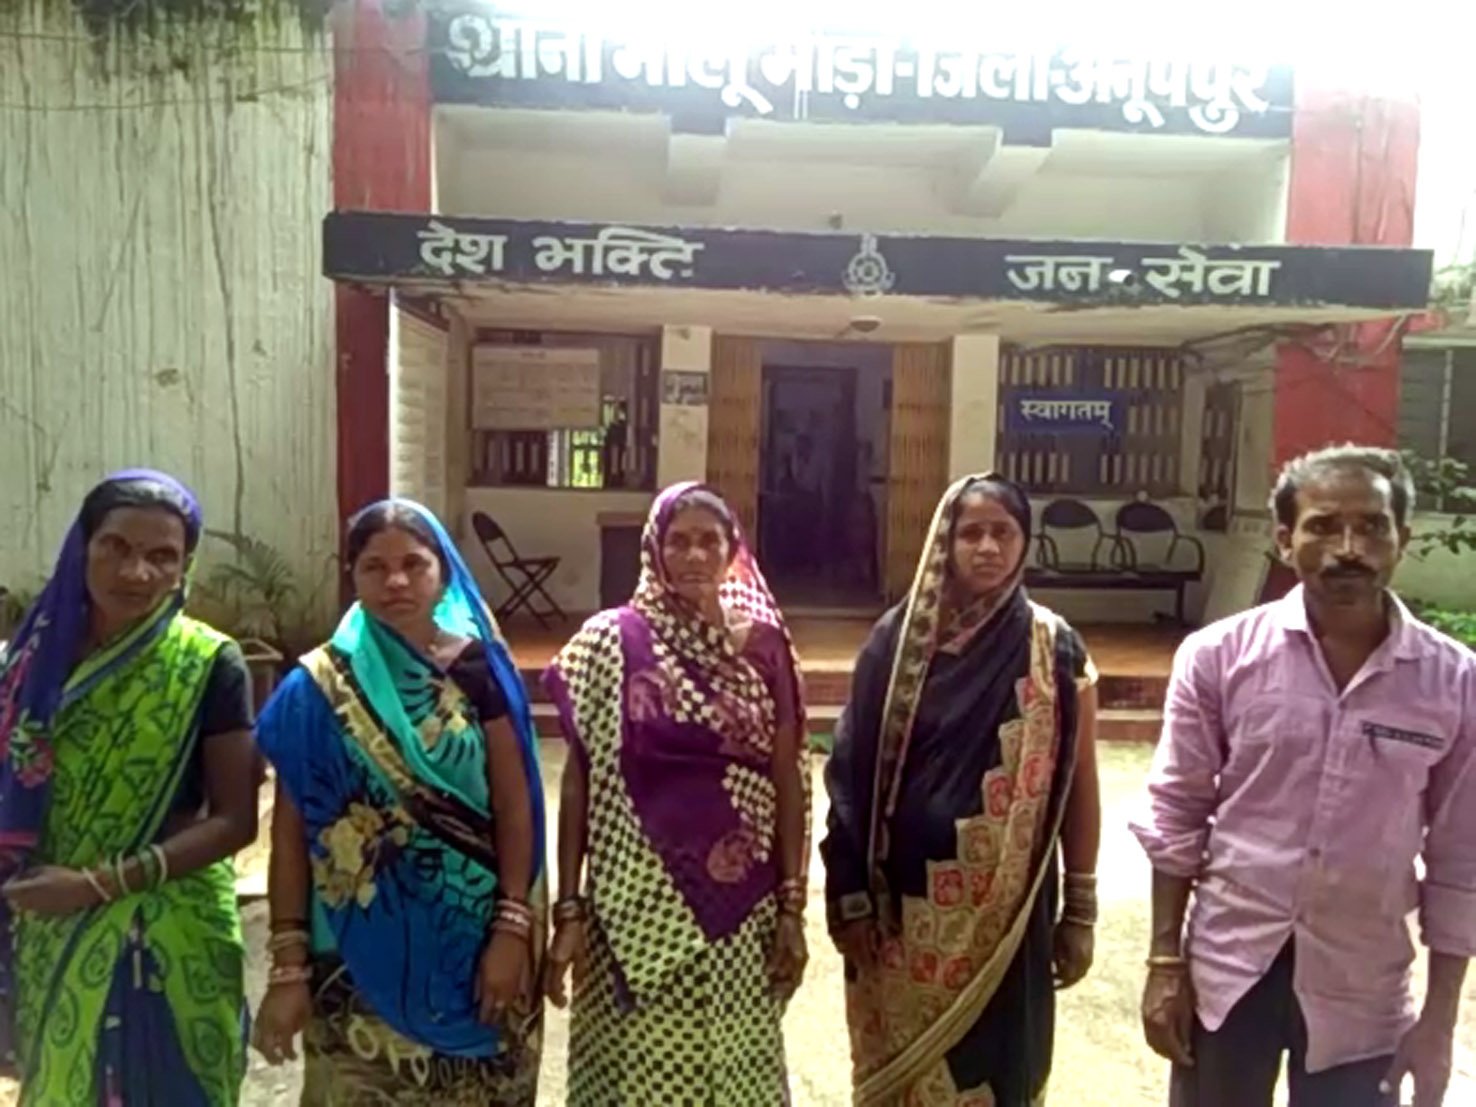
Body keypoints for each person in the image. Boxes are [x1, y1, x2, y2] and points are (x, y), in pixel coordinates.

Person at [1132, 445, 1476, 1107]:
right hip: (1229, 973)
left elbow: (1461, 857)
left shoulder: (1454, 682)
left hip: (1363, 988)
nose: (1349, 548)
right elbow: (1176, 813)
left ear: (1402, 540)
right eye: (1323, 526)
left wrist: (1438, 1022)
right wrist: (1165, 963)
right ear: (1285, 539)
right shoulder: (1218, 657)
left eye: (1372, 526)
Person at [252, 499, 545, 1105]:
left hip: (474, 944)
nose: (396, 582)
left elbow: (516, 806)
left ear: (443, 572)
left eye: (414, 564)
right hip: (354, 951)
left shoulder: (479, 671)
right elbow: (290, 833)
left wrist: (512, 928)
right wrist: (288, 964)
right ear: (352, 575)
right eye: (375, 567)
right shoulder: (316, 688)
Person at [822, 472, 1101, 1106]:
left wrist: (1079, 912)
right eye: (970, 533)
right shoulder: (897, 646)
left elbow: (1080, 785)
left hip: (1011, 920)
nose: (987, 547)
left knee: (999, 1071)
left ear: (1025, 543)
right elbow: (850, 772)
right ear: (944, 544)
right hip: (900, 917)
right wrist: (851, 894)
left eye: (1003, 533)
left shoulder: (1055, 650)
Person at [542, 481, 810, 1106]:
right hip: (629, 905)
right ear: (654, 550)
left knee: (732, 1070)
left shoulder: (766, 647)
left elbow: (788, 778)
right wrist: (570, 910)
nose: (694, 556)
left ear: (732, 551)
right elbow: (579, 780)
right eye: (678, 541)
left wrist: (792, 909)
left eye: (709, 542)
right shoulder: (610, 642)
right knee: (634, 1069)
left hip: (742, 909)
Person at [0, 470, 259, 1105]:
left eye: (161, 555)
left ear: (184, 567)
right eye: (115, 547)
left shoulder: (209, 663)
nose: (136, 572)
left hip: (172, 926)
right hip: (49, 922)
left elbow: (235, 821)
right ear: (82, 546)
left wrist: (96, 885)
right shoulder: (26, 668)